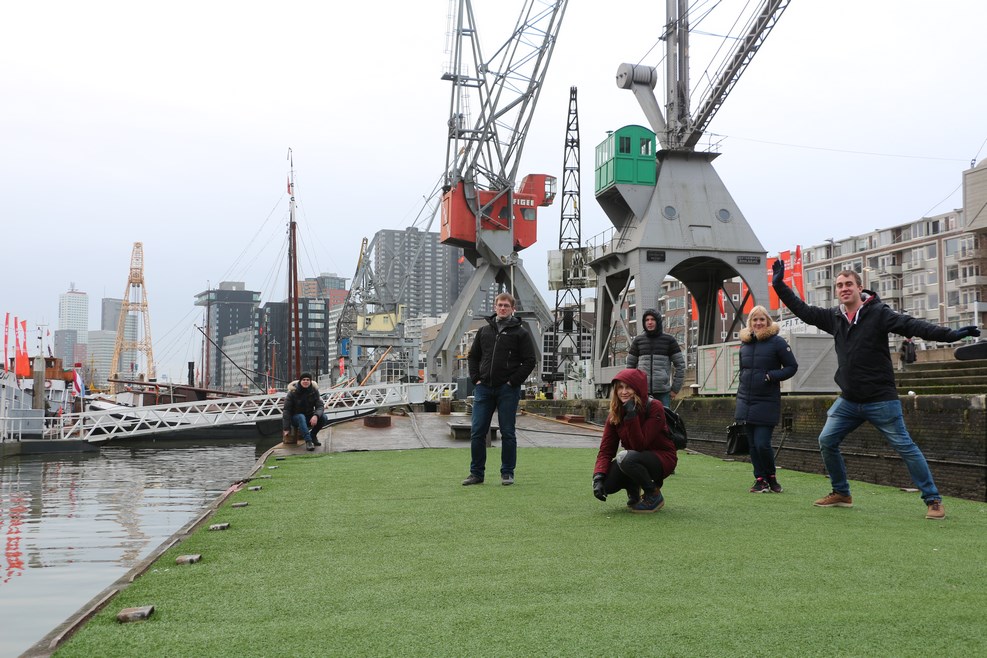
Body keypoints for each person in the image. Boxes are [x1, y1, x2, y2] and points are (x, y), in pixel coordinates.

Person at [772, 258, 981, 519]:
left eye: (849, 284)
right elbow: (802, 310)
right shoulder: (834, 317)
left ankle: (933, 500)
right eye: (839, 285)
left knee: (905, 447)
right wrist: (779, 286)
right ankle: (841, 492)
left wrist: (951, 335)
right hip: (849, 400)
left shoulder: (879, 313)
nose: (844, 288)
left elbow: (914, 325)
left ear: (860, 288)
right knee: (826, 440)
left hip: (881, 399)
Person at [461, 292, 537, 486]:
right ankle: (476, 473)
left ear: (513, 309)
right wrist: (476, 379)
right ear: (495, 307)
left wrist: (513, 382)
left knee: (508, 432)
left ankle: (507, 473)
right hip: (484, 388)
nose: (502, 308)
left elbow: (530, 361)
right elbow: (473, 357)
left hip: (507, 390)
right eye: (500, 305)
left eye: (506, 305)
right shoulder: (484, 331)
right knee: (477, 431)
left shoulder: (521, 333)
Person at [592, 368, 677, 513]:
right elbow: (606, 450)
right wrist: (598, 477)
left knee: (625, 457)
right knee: (606, 484)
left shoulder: (654, 407)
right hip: (634, 458)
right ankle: (633, 488)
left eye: (629, 387)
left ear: (638, 388)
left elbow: (640, 445)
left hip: (662, 458)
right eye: (620, 387)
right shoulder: (615, 413)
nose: (624, 392)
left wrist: (631, 414)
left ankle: (653, 494)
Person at [735, 305, 799, 494]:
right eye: (755, 319)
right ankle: (760, 479)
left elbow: (792, 367)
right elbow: (743, 370)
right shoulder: (745, 344)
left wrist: (771, 376)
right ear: (750, 322)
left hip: (766, 400)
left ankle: (771, 476)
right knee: (752, 445)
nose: (758, 323)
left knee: (762, 443)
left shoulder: (777, 342)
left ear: (768, 321)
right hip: (745, 399)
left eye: (762, 319)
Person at [626, 308, 685, 407]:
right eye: (647, 320)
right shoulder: (638, 341)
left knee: (663, 417)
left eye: (652, 319)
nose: (649, 322)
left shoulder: (669, 340)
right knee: (641, 417)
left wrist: (675, 389)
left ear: (658, 321)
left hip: (663, 393)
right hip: (642, 392)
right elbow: (629, 367)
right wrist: (631, 387)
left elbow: (680, 366)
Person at [282, 372, 326, 451]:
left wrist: (316, 415)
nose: (306, 381)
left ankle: (313, 436)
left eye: (308, 380)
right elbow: (286, 410)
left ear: (310, 381)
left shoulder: (314, 391)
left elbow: (320, 406)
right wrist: (286, 428)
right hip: (295, 418)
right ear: (300, 381)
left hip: (309, 415)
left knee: (323, 417)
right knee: (301, 417)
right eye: (304, 380)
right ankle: (308, 441)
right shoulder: (292, 392)